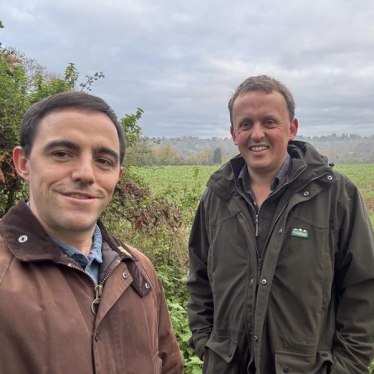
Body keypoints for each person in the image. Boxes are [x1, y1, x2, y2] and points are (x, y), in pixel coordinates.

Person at [187, 75, 374, 373]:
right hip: (227, 365)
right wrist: (204, 341)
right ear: (234, 134)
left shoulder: (337, 195)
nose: (256, 134)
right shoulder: (217, 197)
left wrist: (348, 366)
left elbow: (363, 287)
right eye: (246, 124)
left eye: (269, 122)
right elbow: (199, 278)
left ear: (292, 128)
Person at [0, 91, 183, 374]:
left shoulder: (139, 271)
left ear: (117, 176)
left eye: (103, 161)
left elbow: (170, 365)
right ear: (24, 163)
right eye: (62, 154)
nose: (86, 174)